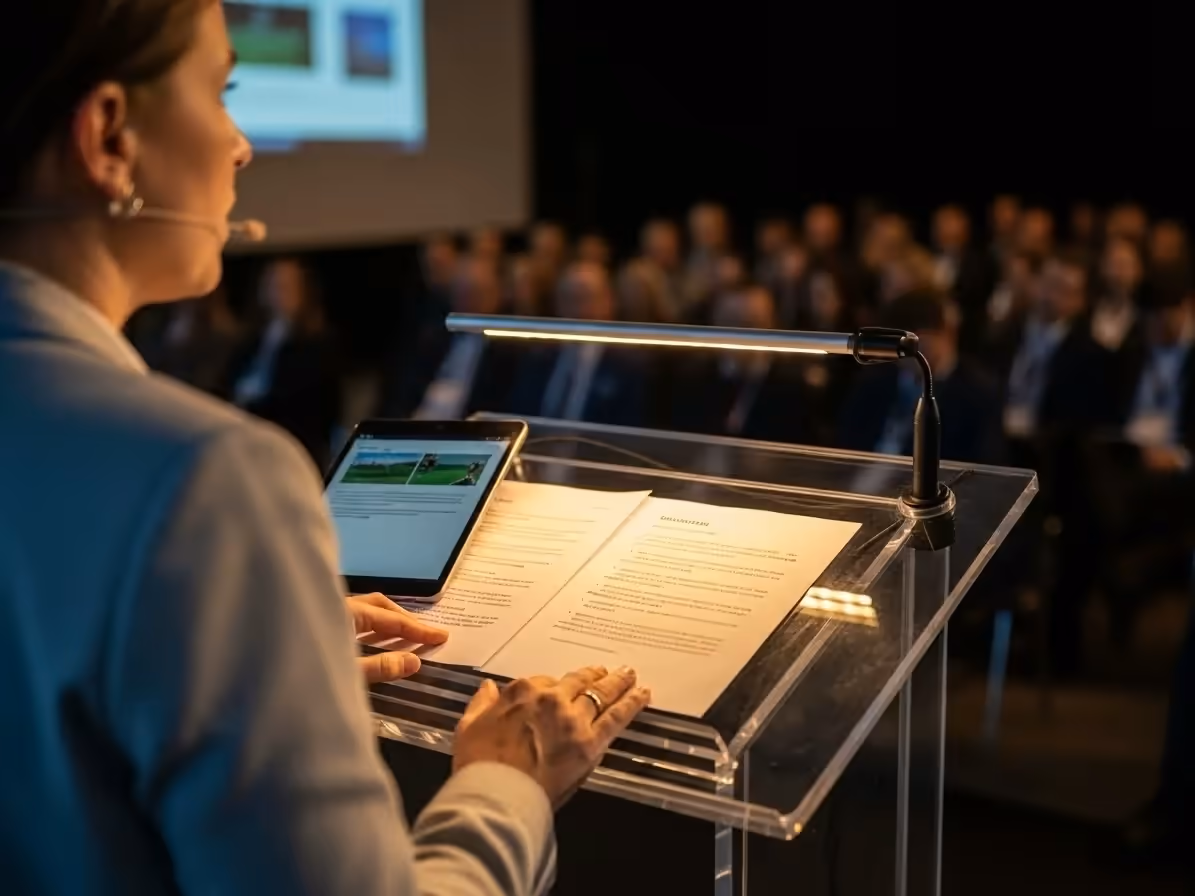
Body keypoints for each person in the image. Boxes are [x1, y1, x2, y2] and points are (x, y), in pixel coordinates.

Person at [0, 5, 650, 895]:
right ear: (109, 136)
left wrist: (247, 650)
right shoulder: (204, 480)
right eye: (221, 91)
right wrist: (506, 786)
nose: (242, 146)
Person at [837, 290, 1004, 465]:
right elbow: (846, 441)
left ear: (943, 334)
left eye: (918, 346)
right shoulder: (876, 380)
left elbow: (983, 467)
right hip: (859, 479)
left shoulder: (977, 393)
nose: (905, 358)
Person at [221, 256, 341, 470]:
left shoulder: (317, 344)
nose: (278, 292)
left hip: (288, 441)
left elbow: (312, 405)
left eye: (285, 286)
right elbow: (227, 382)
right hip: (240, 431)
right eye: (272, 285)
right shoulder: (252, 339)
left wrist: (254, 408)